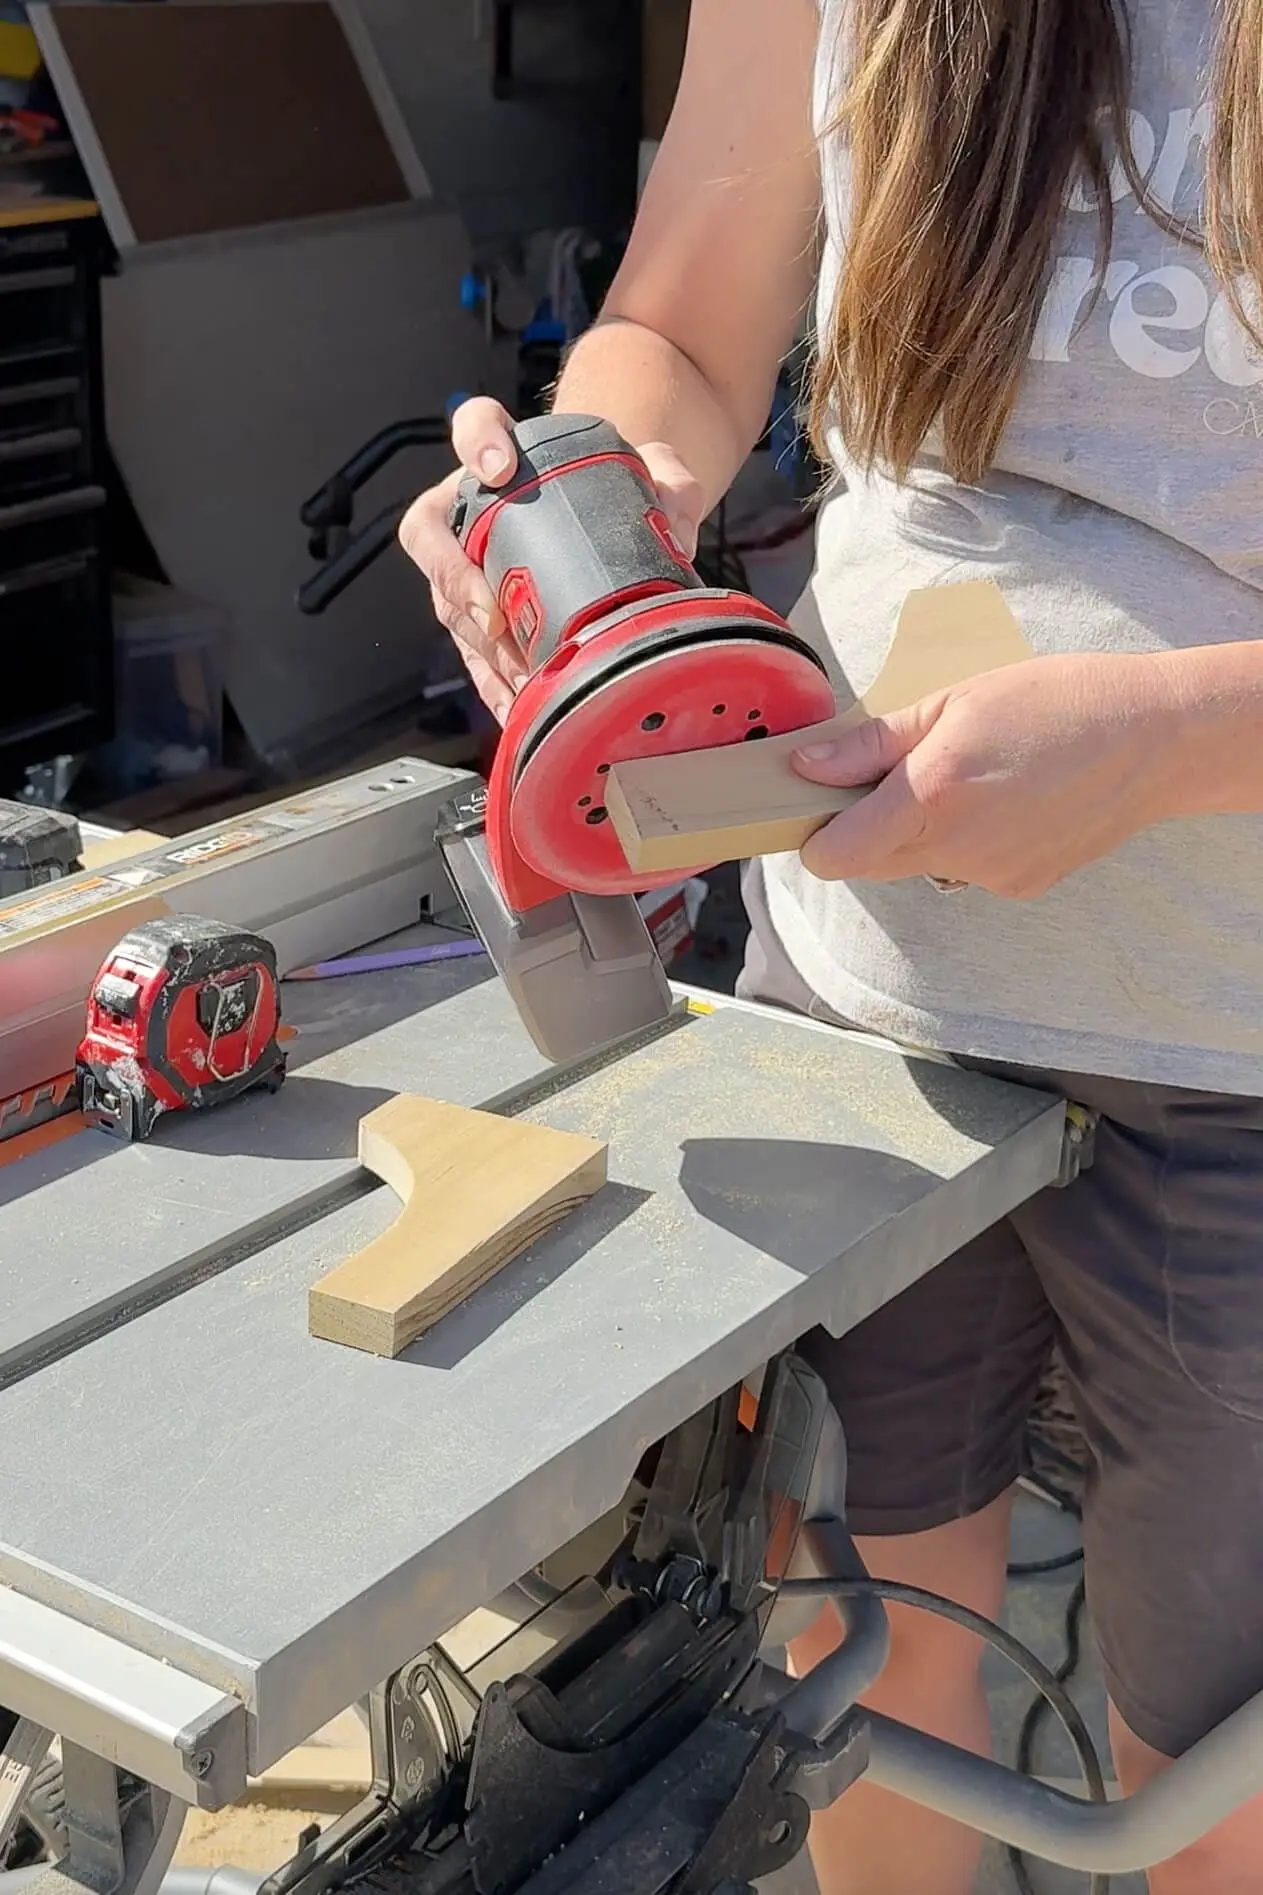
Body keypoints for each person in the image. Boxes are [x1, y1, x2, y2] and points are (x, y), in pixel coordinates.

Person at [398, 0, 1263, 1887]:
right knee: (846, 1701)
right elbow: (690, 332)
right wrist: (578, 493)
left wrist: (1175, 743)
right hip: (863, 1015)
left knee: (1210, 1790)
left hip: (1242, 1056)